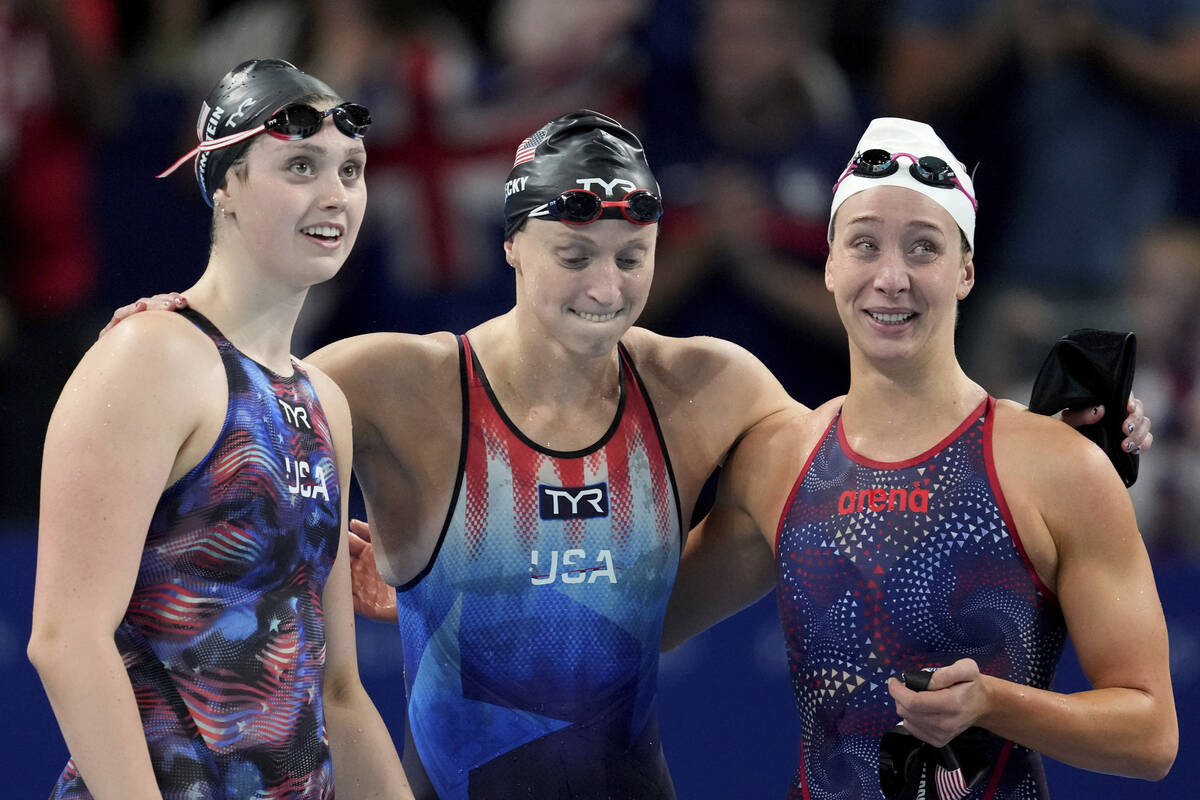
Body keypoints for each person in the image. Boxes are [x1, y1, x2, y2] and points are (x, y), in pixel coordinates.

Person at [105, 110, 1153, 799]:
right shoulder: (397, 382)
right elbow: (247, 400)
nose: (604, 284)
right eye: (573, 253)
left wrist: (1068, 452)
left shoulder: (714, 390)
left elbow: (890, 469)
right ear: (511, 244)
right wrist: (182, 329)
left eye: (630, 255)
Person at [663, 117, 1177, 798]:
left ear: (965, 271)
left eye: (923, 248)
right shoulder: (778, 458)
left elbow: (1151, 736)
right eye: (865, 244)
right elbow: (644, 631)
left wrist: (994, 704)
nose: (891, 277)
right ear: (829, 263)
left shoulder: (1056, 466)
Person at [27, 59, 411, 799]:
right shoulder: (150, 356)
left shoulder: (322, 401)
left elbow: (335, 691)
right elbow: (67, 640)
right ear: (225, 184)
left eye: (351, 170)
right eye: (300, 166)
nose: (335, 195)